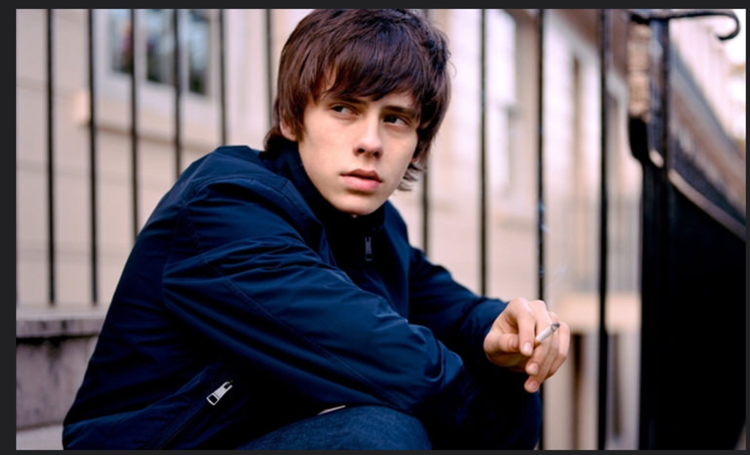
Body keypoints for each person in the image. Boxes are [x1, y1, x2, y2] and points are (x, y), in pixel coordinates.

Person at [62, 9, 569, 450]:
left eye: (395, 119)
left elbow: (447, 307)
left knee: (507, 389)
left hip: (255, 435)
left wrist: (505, 332)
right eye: (344, 108)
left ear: (418, 142)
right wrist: (479, 402)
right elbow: (376, 350)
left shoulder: (371, 226)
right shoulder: (226, 203)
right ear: (292, 119)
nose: (370, 142)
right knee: (379, 438)